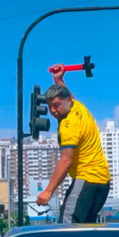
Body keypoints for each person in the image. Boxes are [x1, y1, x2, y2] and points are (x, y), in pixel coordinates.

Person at [36, 64, 110, 223]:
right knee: (85, 227)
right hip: (103, 182)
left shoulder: (68, 126)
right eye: (49, 107)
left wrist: (48, 192)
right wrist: (58, 80)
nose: (53, 111)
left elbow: (66, 161)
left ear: (66, 101)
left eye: (56, 105)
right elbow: (67, 95)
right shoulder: (78, 107)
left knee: (67, 225)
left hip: (86, 179)